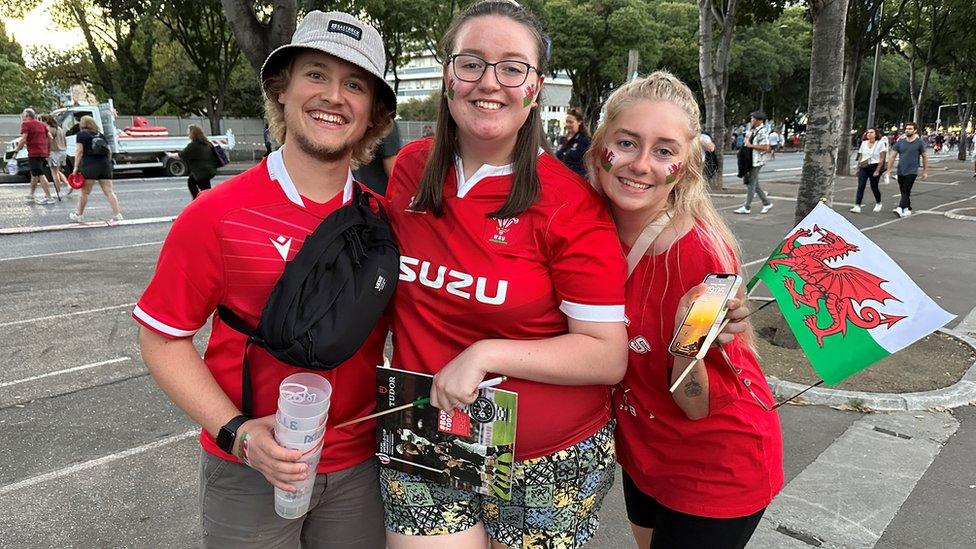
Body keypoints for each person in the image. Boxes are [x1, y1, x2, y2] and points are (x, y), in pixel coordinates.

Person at [133, 11, 396, 547]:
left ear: (373, 114)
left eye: (354, 84)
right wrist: (238, 433)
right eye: (316, 74)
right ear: (282, 89)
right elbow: (162, 338)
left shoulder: (383, 222)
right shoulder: (216, 214)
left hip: (359, 468)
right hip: (247, 469)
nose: (333, 96)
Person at [382, 2, 628, 548]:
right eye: (471, 63)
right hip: (428, 423)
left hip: (545, 457)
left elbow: (606, 355)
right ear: (449, 75)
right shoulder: (409, 171)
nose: (489, 82)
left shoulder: (569, 204)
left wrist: (486, 353)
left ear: (534, 87)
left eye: (512, 67)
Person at [587, 71, 783, 549]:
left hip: (715, 466)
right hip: (642, 453)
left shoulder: (703, 258)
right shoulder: (585, 224)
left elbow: (694, 403)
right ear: (600, 148)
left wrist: (686, 344)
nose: (640, 165)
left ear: (686, 164)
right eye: (628, 142)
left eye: (664, 150)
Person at [70, 116, 122, 222]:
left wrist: (75, 167)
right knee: (109, 192)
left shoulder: (81, 135)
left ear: (82, 124)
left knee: (85, 192)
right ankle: (117, 214)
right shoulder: (101, 135)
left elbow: (79, 151)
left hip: (89, 165)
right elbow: (109, 151)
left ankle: (79, 215)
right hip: (104, 165)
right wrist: (107, 162)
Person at [733, 111, 773, 215]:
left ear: (759, 120)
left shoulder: (763, 131)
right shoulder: (753, 129)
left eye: (753, 119)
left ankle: (747, 207)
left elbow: (766, 147)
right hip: (750, 159)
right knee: (755, 184)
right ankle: (766, 203)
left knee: (751, 183)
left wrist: (751, 146)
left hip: (757, 161)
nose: (751, 120)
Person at [886, 122, 928, 218]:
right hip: (901, 170)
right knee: (904, 191)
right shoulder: (900, 142)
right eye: (906, 129)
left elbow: (925, 157)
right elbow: (892, 156)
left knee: (905, 189)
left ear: (915, 130)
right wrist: (888, 170)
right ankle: (907, 208)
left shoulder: (919, 143)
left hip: (912, 171)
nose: (907, 130)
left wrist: (925, 172)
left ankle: (900, 208)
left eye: (910, 129)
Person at [15, 108, 56, 204]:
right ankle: (31, 194)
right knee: (34, 173)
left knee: (40, 174)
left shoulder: (26, 124)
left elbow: (24, 139)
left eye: (23, 114)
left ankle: (49, 197)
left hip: (34, 152)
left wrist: (16, 150)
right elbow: (50, 137)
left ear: (27, 116)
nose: (22, 116)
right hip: (43, 152)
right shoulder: (42, 124)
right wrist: (48, 150)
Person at [168, 124, 219, 199]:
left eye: (189, 132)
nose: (188, 134)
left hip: (202, 172)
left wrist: (170, 155)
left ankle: (205, 202)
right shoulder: (207, 143)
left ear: (193, 134)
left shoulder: (194, 145)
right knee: (191, 181)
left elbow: (181, 155)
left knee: (205, 190)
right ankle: (198, 200)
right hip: (210, 170)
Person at [353, 121, 401, 195]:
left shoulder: (354, 124)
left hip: (355, 195)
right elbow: (393, 173)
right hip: (376, 198)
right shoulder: (386, 124)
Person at [851, 128, 888, 213]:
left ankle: (878, 202)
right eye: (868, 132)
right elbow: (860, 156)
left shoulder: (880, 144)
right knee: (861, 186)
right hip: (864, 166)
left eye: (871, 132)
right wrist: (858, 168)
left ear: (876, 134)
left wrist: (877, 170)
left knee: (874, 186)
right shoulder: (863, 143)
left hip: (875, 166)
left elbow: (881, 158)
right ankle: (857, 205)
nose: (869, 134)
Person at [554, 107, 591, 177]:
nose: (567, 124)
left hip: (576, 180)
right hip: (560, 178)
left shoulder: (585, 140)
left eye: (571, 122)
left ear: (579, 122)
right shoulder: (562, 139)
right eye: (566, 121)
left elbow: (589, 164)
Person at [41, 113, 68, 197]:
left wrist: (46, 152)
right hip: (62, 151)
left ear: (45, 121)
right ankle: (68, 184)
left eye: (41, 120)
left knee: (54, 173)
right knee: (58, 171)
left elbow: (47, 141)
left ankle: (58, 192)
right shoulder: (59, 128)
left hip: (53, 152)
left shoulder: (49, 129)